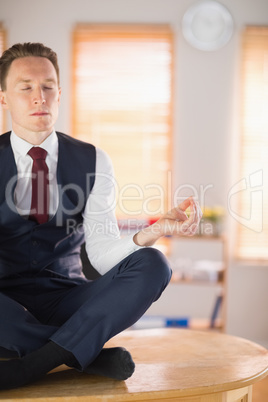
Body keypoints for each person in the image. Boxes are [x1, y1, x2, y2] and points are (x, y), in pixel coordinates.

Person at [0, 42, 202, 390]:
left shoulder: (94, 160)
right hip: (5, 304)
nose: (39, 97)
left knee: (154, 263)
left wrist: (154, 231)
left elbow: (102, 253)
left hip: (69, 299)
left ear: (59, 93)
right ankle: (87, 356)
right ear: (4, 97)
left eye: (48, 86)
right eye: (26, 88)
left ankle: (33, 364)